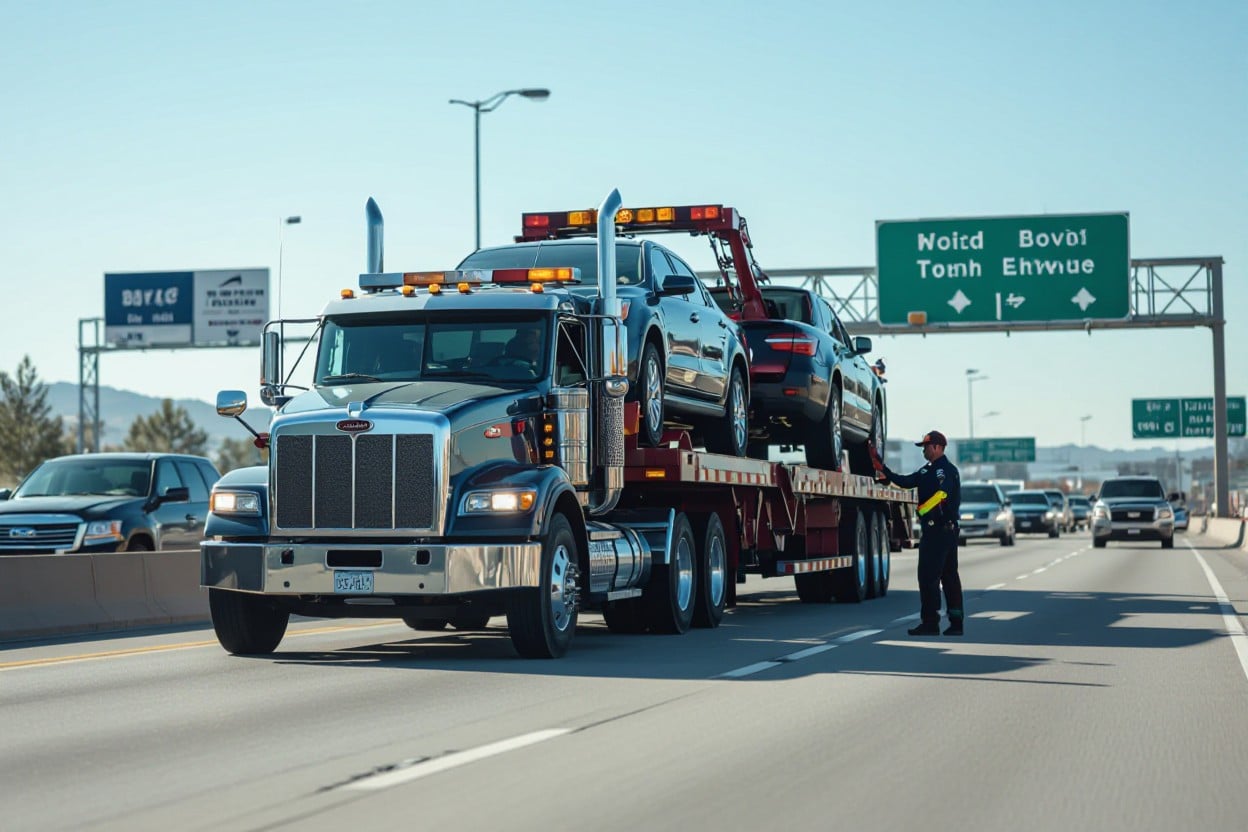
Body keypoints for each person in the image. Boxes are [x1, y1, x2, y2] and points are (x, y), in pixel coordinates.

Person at [873, 430, 964, 636]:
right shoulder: (928, 470)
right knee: (949, 577)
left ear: (938, 447)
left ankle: (932, 623)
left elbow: (943, 495)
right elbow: (906, 481)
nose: (923, 450)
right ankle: (954, 623)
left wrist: (923, 510)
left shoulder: (945, 471)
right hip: (942, 531)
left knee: (930, 578)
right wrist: (884, 469)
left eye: (926, 446)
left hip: (939, 530)